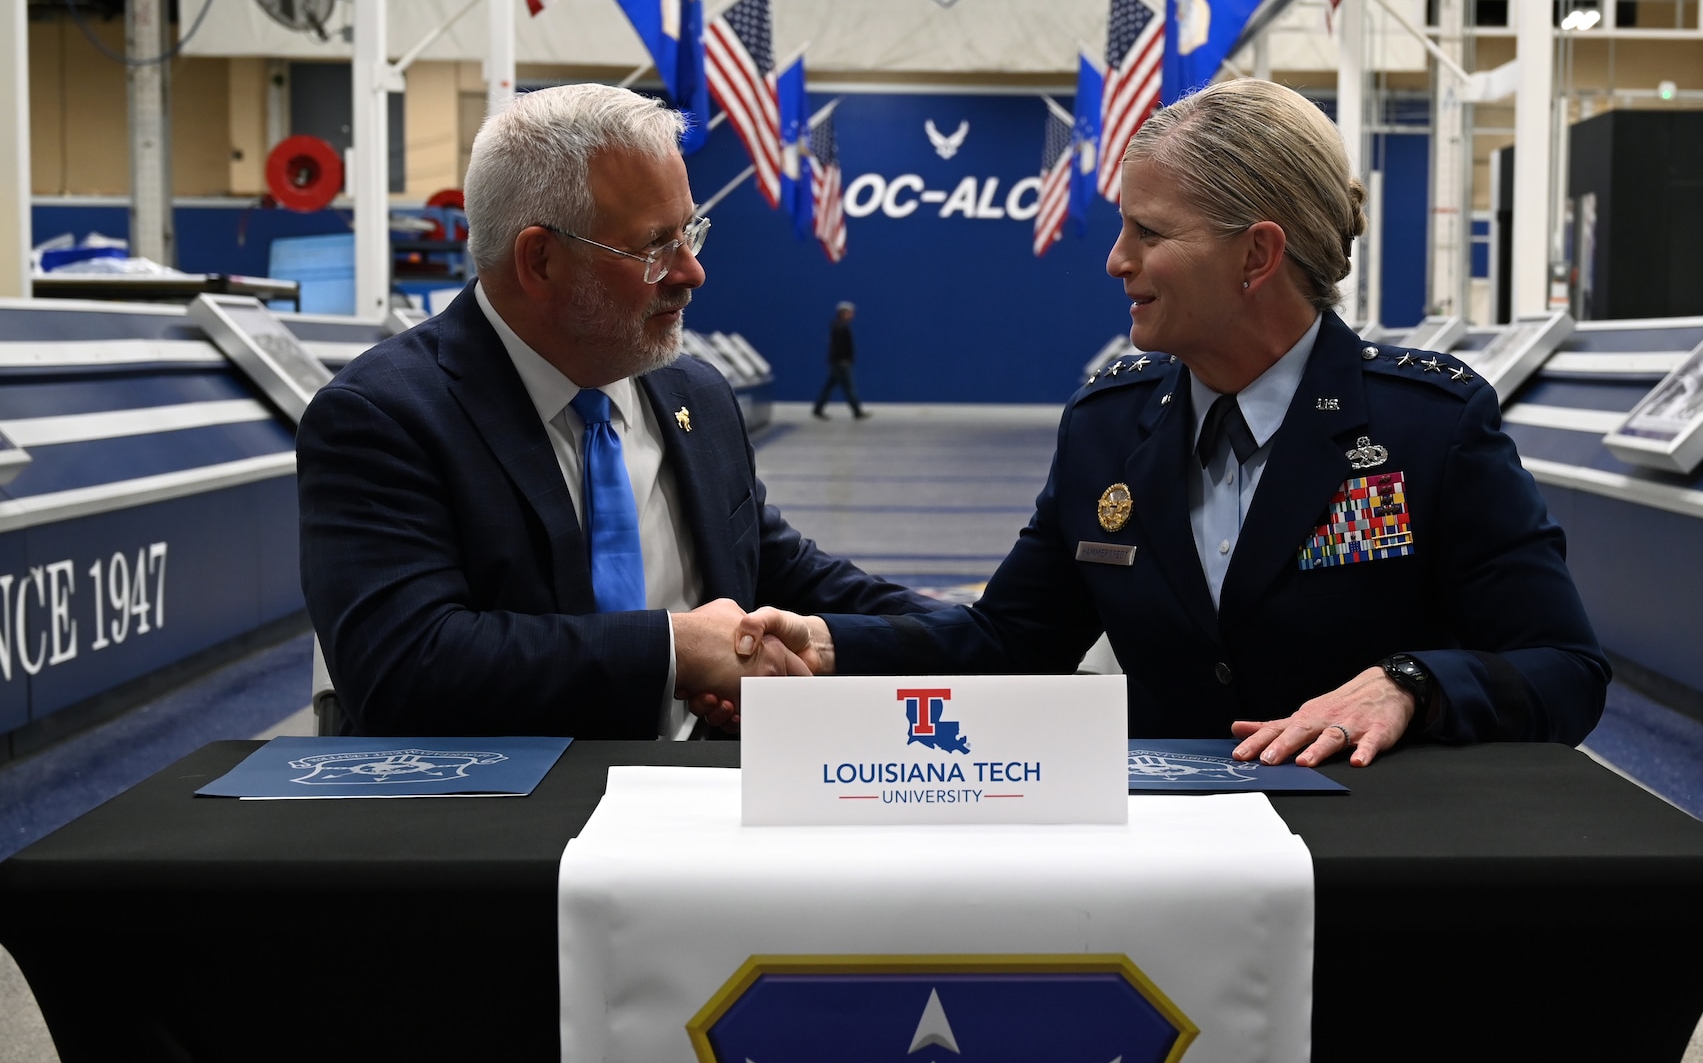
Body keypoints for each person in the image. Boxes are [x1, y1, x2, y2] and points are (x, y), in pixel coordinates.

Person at [739, 78, 1609, 766]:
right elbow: (1009, 640)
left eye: (1148, 232)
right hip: (1168, 877)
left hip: (1365, 864)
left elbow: (1565, 671)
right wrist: (826, 645)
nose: (1118, 260)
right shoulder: (1108, 428)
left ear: (1257, 255)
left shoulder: (1431, 427)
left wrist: (1410, 685)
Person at [296, 84, 937, 739]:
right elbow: (404, 669)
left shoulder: (694, 394)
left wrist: (969, 633)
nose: (692, 272)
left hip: (700, 797)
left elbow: (778, 570)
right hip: (518, 820)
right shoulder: (383, 418)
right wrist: (677, 650)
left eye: (691, 233)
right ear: (540, 260)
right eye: (657, 246)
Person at [812, 301, 868, 419]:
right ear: (843, 313)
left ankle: (818, 409)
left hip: (836, 362)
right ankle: (857, 411)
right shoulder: (841, 328)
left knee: (830, 386)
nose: (852, 315)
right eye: (850, 313)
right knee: (849, 387)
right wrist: (844, 360)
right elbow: (841, 346)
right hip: (841, 363)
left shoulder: (838, 326)